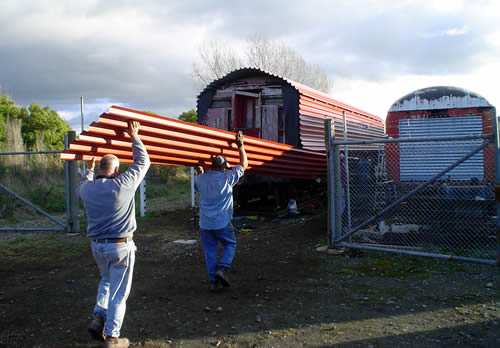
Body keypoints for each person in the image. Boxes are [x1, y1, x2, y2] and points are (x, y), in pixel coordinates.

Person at [78, 120, 150, 348]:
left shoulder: (86, 189)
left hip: (97, 246)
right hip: (120, 247)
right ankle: (112, 337)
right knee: (119, 293)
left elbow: (84, 180)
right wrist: (134, 136)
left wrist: (88, 169)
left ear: (100, 169)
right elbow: (143, 162)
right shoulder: (122, 184)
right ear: (116, 170)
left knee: (107, 281)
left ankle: (99, 316)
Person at [194, 131, 248, 292]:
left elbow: (199, 184)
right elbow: (244, 164)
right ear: (224, 168)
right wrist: (241, 145)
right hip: (222, 222)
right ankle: (222, 269)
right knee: (230, 244)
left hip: (205, 223)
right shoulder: (227, 178)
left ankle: (213, 282)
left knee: (210, 250)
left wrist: (200, 171)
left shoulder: (200, 179)